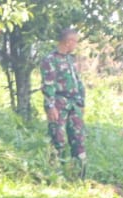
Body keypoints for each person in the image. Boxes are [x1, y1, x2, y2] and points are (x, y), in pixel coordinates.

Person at [40, 27, 85, 173]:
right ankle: (54, 172)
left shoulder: (71, 59)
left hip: (74, 104)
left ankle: (78, 171)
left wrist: (81, 102)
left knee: (78, 138)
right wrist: (50, 106)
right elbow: (48, 85)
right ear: (69, 42)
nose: (76, 45)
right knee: (57, 139)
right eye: (75, 42)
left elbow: (78, 81)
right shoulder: (50, 60)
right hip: (58, 103)